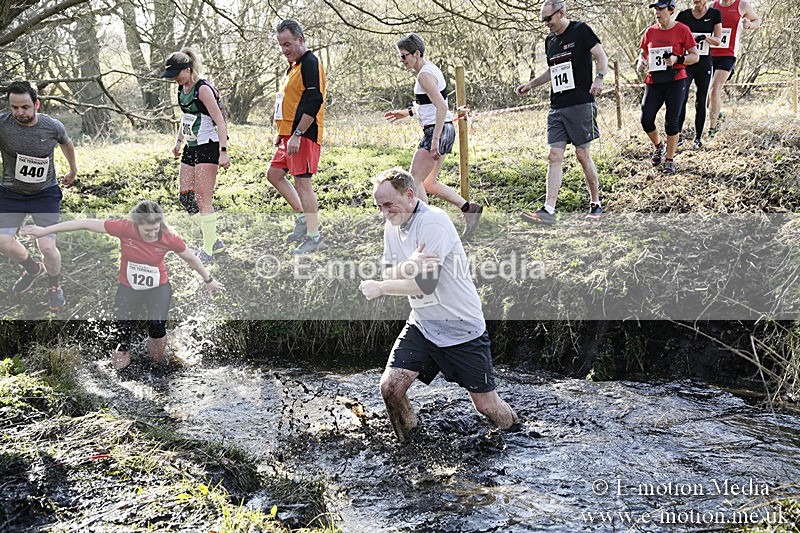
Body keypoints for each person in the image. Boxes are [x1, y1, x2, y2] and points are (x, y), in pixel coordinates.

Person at [359, 167, 518, 442]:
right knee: (390, 387)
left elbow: (424, 285)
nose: (384, 213)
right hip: (423, 324)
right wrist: (408, 266)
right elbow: (389, 270)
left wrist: (382, 287)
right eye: (379, 207)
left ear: (410, 195)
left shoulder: (433, 222)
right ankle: (410, 445)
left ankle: (517, 433)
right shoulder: (392, 226)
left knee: (486, 405)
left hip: (461, 329)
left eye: (388, 205)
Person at [22, 200, 223, 370]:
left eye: (155, 229)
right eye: (147, 230)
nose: (152, 234)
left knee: (156, 326)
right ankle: (121, 374)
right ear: (137, 225)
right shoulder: (125, 229)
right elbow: (85, 223)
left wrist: (209, 280)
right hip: (128, 288)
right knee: (121, 332)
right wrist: (45, 231)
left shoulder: (169, 238)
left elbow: (191, 258)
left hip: (158, 288)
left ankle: (157, 367)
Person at [515, 0, 608, 225]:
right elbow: (552, 70)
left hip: (580, 103)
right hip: (557, 106)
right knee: (554, 156)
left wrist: (599, 78)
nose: (546, 24)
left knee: (582, 155)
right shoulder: (550, 40)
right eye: (543, 20)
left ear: (561, 13)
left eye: (549, 18)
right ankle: (548, 210)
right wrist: (531, 85)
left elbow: (601, 56)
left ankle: (595, 203)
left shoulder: (580, 30)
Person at [384, 33, 483, 239]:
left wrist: (435, 139)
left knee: (414, 179)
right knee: (428, 182)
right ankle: (469, 209)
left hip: (437, 131)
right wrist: (407, 113)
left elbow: (442, 107)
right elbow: (428, 104)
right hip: (444, 129)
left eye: (404, 56)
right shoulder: (429, 70)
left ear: (416, 53)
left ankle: (426, 227)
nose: (401, 60)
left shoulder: (424, 75)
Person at [0, 81, 77, 311]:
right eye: (14, 107)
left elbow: (67, 143)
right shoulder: (2, 124)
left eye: (25, 107)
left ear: (36, 104)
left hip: (45, 193)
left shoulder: (52, 126)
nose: (19, 113)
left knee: (47, 247)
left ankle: (54, 285)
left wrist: (72, 170)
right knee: (2, 242)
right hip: (11, 193)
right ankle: (33, 269)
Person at [161, 47, 230, 265]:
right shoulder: (182, 89)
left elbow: (220, 121)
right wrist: (178, 141)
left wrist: (224, 151)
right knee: (186, 197)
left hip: (208, 145)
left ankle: (208, 249)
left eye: (176, 74)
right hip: (191, 146)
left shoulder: (203, 89)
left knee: (203, 199)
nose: (174, 79)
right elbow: (187, 116)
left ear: (188, 69)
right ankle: (214, 239)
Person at [269, 19, 326, 255]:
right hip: (289, 135)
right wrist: (282, 132)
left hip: (303, 134)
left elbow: (314, 101)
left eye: (288, 44)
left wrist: (298, 133)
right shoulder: (293, 66)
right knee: (274, 174)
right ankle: (302, 217)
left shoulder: (310, 63)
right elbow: (290, 102)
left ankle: (314, 237)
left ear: (300, 40)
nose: (284, 50)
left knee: (303, 183)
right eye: (281, 45)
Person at [637, 0, 699, 174]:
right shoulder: (650, 31)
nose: (657, 12)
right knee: (646, 118)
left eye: (661, 9)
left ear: (671, 10)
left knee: (671, 122)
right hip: (654, 81)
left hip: (676, 81)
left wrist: (678, 59)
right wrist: (641, 61)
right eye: (655, 9)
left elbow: (695, 56)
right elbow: (644, 52)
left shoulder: (682, 30)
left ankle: (670, 160)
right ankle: (659, 147)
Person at [706, 0, 760, 137]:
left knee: (714, 90)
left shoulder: (742, 5)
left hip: (728, 55)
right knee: (705, 96)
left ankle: (712, 129)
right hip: (709, 53)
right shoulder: (711, 6)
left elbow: (757, 21)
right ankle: (719, 114)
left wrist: (749, 25)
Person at [676, 0, 723, 148]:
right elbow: (674, 35)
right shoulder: (683, 15)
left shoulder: (714, 14)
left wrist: (704, 37)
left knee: (701, 100)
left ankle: (698, 138)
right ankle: (678, 135)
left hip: (704, 63)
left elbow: (718, 40)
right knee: (681, 98)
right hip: (687, 62)